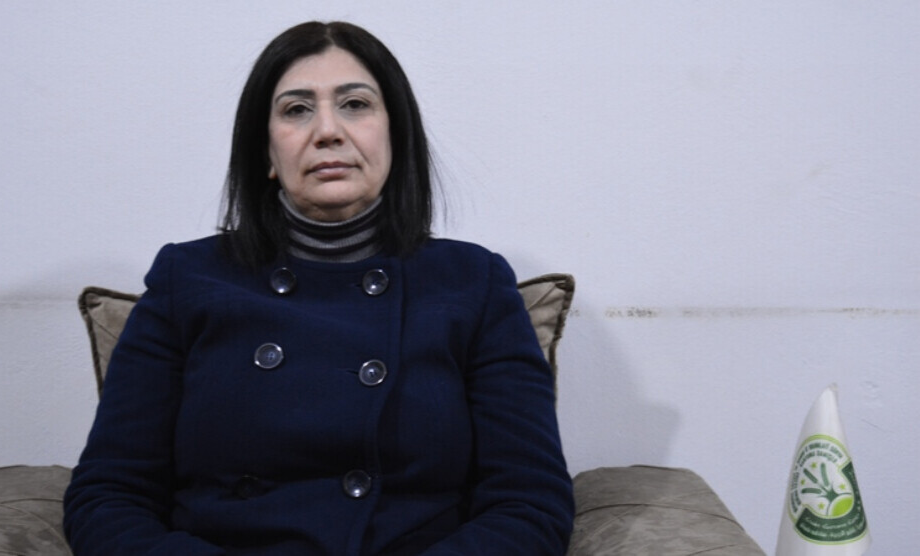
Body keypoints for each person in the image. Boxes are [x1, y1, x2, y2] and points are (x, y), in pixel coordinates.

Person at [63, 21, 574, 555]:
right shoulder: (186, 278)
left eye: (355, 104)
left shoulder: (473, 282)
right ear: (266, 150)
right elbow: (108, 496)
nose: (328, 130)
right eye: (296, 109)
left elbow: (530, 502)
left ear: (394, 134)